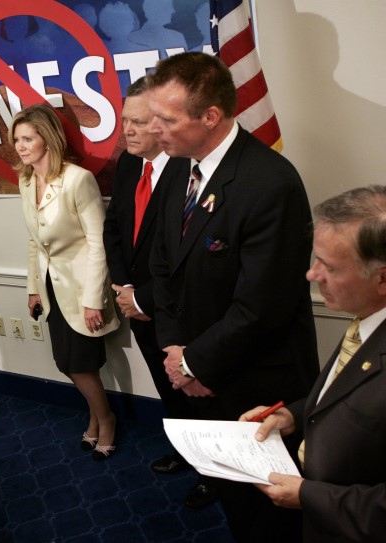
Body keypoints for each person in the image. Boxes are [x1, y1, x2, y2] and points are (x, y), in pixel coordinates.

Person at [146, 52, 318, 540]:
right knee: (235, 504)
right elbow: (162, 265)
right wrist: (179, 357)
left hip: (256, 390)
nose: (155, 129)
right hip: (196, 378)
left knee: (272, 518)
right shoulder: (179, 167)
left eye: (167, 118)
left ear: (210, 117)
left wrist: (196, 361)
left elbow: (263, 306)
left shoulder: (271, 182)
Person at [241, 185, 386, 542]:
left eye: (330, 267)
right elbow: (350, 394)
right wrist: (293, 414)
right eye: (315, 259)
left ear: (382, 278)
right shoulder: (367, 315)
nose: (312, 275)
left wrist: (309, 496)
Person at [13, 103, 119, 460]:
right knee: (68, 362)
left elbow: (97, 243)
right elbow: (34, 240)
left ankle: (106, 420)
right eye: (17, 140)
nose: (21, 146)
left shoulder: (77, 179)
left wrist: (94, 300)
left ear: (48, 138)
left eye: (28, 138)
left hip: (81, 290)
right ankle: (95, 418)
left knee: (80, 363)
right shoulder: (26, 180)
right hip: (50, 290)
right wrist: (32, 288)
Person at [102, 77, 195, 476]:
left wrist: (144, 298)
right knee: (165, 386)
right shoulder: (127, 162)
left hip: (177, 309)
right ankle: (184, 451)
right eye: (125, 120)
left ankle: (212, 473)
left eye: (138, 122)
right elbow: (114, 229)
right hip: (133, 301)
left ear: (161, 125)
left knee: (193, 390)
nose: (128, 130)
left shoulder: (188, 170)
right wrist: (125, 290)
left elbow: (187, 257)